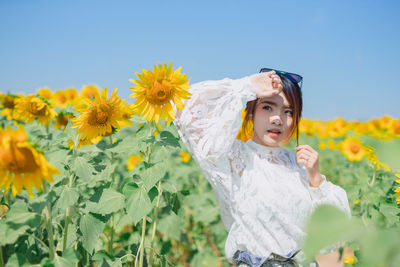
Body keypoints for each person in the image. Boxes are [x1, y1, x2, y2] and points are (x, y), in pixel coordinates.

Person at [173, 68, 352, 267]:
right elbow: (184, 106)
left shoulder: (299, 167)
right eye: (268, 107)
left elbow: (332, 237)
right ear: (250, 112)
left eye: (288, 111)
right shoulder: (233, 157)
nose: (278, 118)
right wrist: (245, 86)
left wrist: (316, 180)